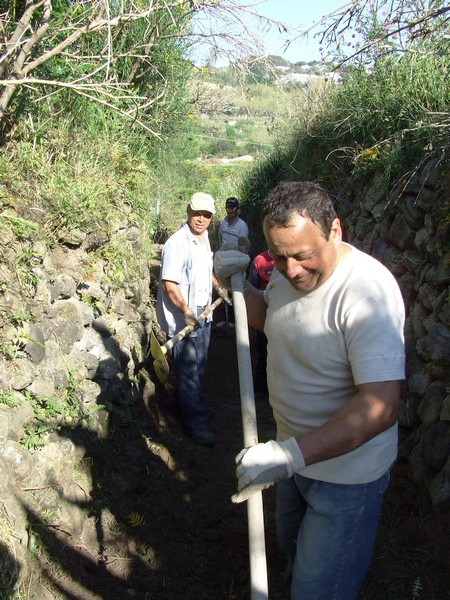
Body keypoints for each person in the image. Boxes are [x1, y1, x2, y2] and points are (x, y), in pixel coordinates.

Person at [214, 181, 405, 599]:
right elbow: (273, 317)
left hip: (346, 477)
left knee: (319, 588)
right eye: (279, 257)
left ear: (335, 231)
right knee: (293, 555)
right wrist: (239, 289)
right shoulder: (287, 275)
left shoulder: (366, 294)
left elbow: (381, 404)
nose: (292, 269)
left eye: (303, 255)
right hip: (294, 461)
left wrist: (289, 454)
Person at [156, 192, 230, 447]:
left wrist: (218, 288)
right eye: (197, 212)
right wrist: (185, 312)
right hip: (184, 317)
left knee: (199, 364)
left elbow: (205, 270)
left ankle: (191, 405)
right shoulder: (178, 243)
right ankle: (195, 423)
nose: (201, 219)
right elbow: (169, 282)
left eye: (207, 214)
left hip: (204, 312)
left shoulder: (204, 238)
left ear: (212, 217)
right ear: (188, 211)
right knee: (188, 369)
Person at [248, 249, 274, 396]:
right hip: (263, 311)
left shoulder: (289, 259)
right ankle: (260, 388)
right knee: (263, 350)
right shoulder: (259, 261)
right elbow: (253, 286)